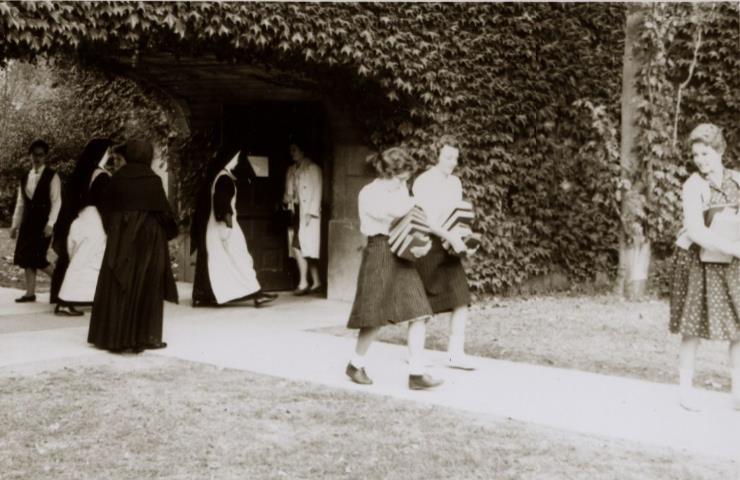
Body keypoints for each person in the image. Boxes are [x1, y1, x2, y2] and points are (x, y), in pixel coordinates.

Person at [345, 147, 442, 391]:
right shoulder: (369, 193)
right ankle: (356, 364)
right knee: (373, 314)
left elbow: (410, 222)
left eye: (406, 178)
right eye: (401, 177)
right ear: (388, 172)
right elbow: (393, 213)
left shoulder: (400, 190)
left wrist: (420, 243)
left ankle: (417, 373)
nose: (405, 182)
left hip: (402, 251)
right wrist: (415, 203)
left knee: (419, 311)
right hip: (379, 251)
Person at [670, 123, 740, 411]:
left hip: (732, 263)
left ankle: (738, 392)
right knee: (693, 324)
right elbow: (696, 231)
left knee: (739, 325)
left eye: (706, 153)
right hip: (698, 261)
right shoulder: (693, 186)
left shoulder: (737, 180)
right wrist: (733, 247)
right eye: (696, 155)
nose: (700, 160)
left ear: (720, 151)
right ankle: (685, 391)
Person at [88, 138, 178, 353]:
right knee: (148, 285)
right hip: (150, 240)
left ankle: (114, 338)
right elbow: (164, 213)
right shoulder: (153, 180)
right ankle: (147, 337)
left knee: (119, 285)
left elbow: (106, 209)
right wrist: (170, 232)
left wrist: (116, 229)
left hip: (121, 237)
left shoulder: (117, 178)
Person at [412, 135, 477, 371]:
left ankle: (455, 354)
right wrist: (449, 236)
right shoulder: (423, 181)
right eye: (448, 157)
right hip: (428, 244)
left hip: (450, 246)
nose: (452, 162)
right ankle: (415, 355)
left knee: (461, 298)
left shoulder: (455, 183)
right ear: (436, 155)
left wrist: (462, 234)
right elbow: (425, 221)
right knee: (422, 304)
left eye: (456, 158)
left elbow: (456, 215)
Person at [191, 149, 278, 308]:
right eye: (236, 158)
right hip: (224, 227)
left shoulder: (220, 177)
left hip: (216, 228)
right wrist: (229, 227)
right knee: (241, 259)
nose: (237, 162)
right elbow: (222, 204)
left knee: (222, 263)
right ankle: (256, 293)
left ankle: (252, 293)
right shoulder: (225, 179)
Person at [51, 138, 114, 316]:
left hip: (80, 220)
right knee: (85, 263)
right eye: (108, 152)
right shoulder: (101, 175)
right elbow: (105, 204)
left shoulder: (82, 172)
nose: (110, 156)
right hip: (94, 222)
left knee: (83, 263)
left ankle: (85, 299)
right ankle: (64, 302)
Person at [10, 139, 61, 303]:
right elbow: (20, 203)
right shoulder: (25, 176)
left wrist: (50, 224)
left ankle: (61, 283)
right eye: (34, 155)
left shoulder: (52, 176)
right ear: (30, 156)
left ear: (45, 156)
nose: (37, 158)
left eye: (41, 155)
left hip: (43, 224)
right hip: (27, 223)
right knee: (26, 257)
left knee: (39, 258)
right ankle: (30, 293)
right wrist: (14, 225)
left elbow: (57, 202)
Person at [283, 139, 322, 295]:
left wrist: (311, 213)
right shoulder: (291, 170)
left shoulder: (313, 169)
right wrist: (287, 199)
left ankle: (303, 283)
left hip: (307, 214)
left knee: (299, 246)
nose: (292, 154)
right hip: (296, 211)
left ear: (303, 151)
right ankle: (316, 281)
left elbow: (317, 191)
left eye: (295, 150)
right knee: (304, 248)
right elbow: (288, 193)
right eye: (291, 151)